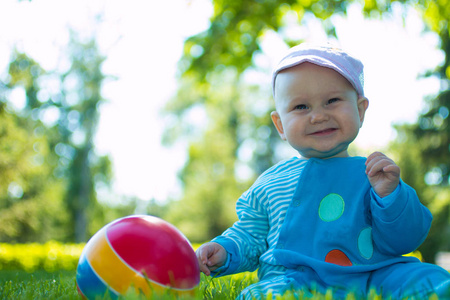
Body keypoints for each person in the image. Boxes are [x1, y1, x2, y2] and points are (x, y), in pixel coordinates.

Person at [195, 44, 450, 299]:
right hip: (296, 278)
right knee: (267, 294)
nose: (318, 116)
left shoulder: (373, 175)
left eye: (332, 101)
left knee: (428, 278)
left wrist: (390, 196)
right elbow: (251, 235)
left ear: (360, 110)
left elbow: (405, 240)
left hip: (373, 274)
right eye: (301, 107)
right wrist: (225, 250)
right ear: (280, 124)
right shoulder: (270, 184)